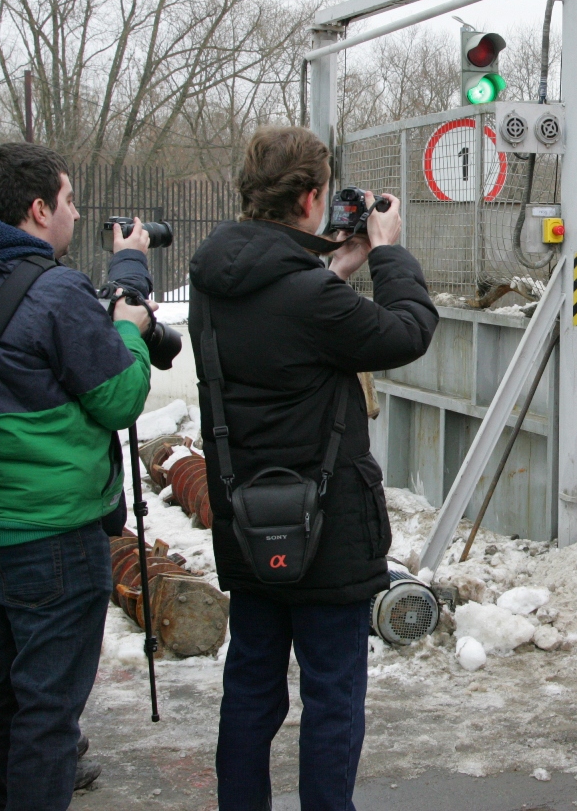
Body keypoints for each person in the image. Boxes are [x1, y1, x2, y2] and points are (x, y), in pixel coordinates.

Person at [188, 127, 437, 811]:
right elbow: (408, 330)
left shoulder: (213, 279)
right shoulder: (311, 300)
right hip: (327, 531)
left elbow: (281, 323)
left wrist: (336, 267)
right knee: (331, 695)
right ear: (310, 197)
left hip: (247, 520)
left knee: (251, 689)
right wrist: (388, 252)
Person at [0, 142, 156, 811]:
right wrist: (130, 330)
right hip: (52, 534)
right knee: (47, 712)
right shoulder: (54, 290)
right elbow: (118, 398)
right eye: (69, 200)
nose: (76, 214)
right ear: (39, 209)